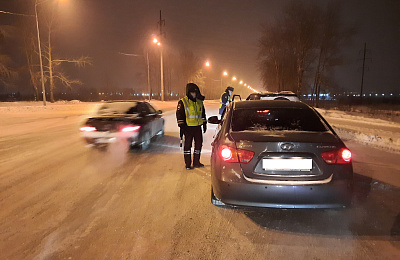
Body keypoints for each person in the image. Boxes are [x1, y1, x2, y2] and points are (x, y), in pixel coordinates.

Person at [176, 83, 207, 170]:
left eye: (195, 92)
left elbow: (203, 114)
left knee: (198, 145)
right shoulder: (183, 102)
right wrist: (182, 126)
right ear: (188, 92)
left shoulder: (199, 102)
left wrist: (204, 123)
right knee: (187, 146)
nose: (194, 94)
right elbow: (179, 115)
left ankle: (196, 162)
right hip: (188, 128)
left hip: (197, 128)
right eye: (192, 92)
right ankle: (188, 164)